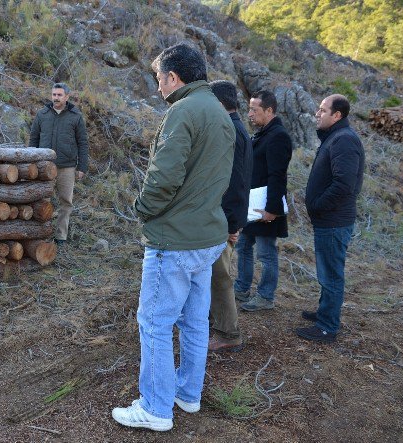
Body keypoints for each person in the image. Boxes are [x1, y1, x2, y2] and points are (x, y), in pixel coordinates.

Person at [111, 44, 235, 432]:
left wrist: (143, 209)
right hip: (208, 236)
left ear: (173, 77)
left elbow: (163, 177)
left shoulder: (181, 112)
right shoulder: (219, 111)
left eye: (159, 79)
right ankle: (186, 393)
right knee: (196, 322)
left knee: (155, 323)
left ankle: (155, 408)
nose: (159, 87)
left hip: (176, 240)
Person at [296, 94, 365, 343]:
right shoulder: (336, 137)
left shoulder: (343, 140)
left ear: (337, 115)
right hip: (330, 220)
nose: (317, 113)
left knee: (331, 275)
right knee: (328, 272)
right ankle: (325, 313)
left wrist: (317, 205)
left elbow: (344, 185)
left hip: (334, 221)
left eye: (323, 110)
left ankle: (327, 327)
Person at [234, 90, 292, 312]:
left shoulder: (278, 136)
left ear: (269, 111)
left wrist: (272, 210)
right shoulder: (263, 133)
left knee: (266, 253)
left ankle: (266, 296)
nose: (249, 114)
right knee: (244, 246)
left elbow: (278, 175)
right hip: (251, 205)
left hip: (266, 206)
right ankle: (241, 288)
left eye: (254, 110)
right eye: (249, 109)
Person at [207, 81, 253, 352]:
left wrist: (231, 223)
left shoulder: (232, 131)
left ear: (219, 103)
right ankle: (216, 324)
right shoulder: (237, 129)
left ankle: (228, 333)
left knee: (219, 276)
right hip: (228, 217)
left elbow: (235, 182)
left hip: (225, 221)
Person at [29, 83, 89, 245]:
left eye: (59, 95)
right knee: (41, 200)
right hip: (43, 166)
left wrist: (82, 167)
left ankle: (60, 236)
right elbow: (33, 139)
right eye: (54, 94)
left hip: (67, 167)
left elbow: (82, 143)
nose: (56, 98)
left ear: (67, 97)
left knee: (66, 202)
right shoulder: (42, 114)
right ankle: (39, 234)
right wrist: (30, 164)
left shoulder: (75, 116)